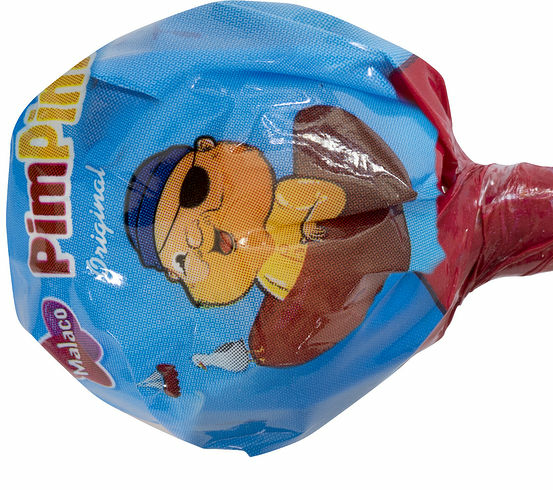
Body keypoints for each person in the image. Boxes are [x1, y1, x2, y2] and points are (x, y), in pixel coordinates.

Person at [124, 106, 417, 368]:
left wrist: (307, 229)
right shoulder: (260, 277)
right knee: (269, 348)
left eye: (193, 192)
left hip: (348, 244)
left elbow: (327, 197)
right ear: (176, 275)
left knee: (316, 126)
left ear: (208, 149)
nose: (198, 235)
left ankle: (384, 231)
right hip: (326, 284)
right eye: (181, 257)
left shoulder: (285, 200)